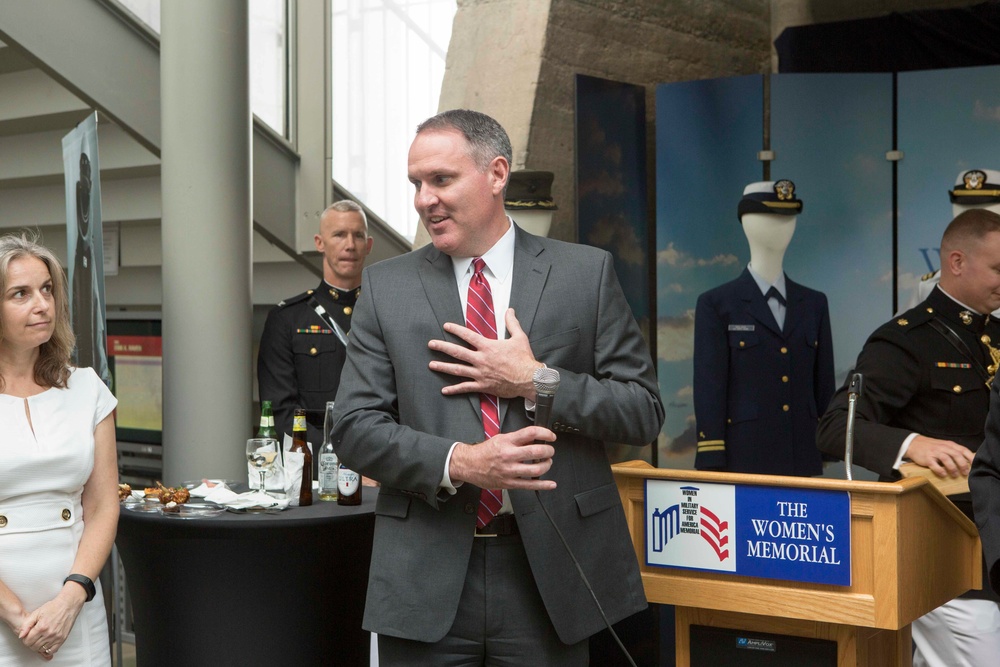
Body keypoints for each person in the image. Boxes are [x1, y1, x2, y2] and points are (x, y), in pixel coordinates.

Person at [331, 109, 664, 665]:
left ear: (497, 173)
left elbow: (643, 411)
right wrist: (461, 461)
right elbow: (354, 428)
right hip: (425, 577)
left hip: (551, 577)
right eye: (416, 183)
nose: (423, 199)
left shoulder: (585, 273)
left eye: (441, 179)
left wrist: (536, 381)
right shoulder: (387, 288)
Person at [818, 209, 1000, 667]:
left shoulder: (995, 333)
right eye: (998, 267)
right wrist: (910, 444)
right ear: (956, 262)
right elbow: (835, 428)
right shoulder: (906, 341)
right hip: (944, 551)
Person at [0, 233, 119, 665]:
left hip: (75, 610)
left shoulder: (86, 388)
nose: (42, 304)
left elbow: (104, 506)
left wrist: (70, 601)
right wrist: (17, 617)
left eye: (47, 289)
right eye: (21, 294)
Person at [694, 180, 834, 475]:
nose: (782, 227)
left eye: (788, 218)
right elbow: (710, 386)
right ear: (748, 223)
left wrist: (827, 444)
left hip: (802, 456)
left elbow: (823, 385)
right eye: (771, 218)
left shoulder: (814, 303)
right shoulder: (717, 304)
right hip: (744, 457)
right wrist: (712, 453)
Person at [257, 199, 373, 455]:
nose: (350, 245)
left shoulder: (385, 314)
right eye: (339, 235)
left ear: (369, 245)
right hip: (316, 468)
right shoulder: (287, 319)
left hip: (381, 465)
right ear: (320, 242)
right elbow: (282, 412)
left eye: (358, 236)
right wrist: (341, 461)